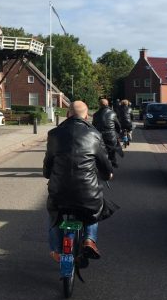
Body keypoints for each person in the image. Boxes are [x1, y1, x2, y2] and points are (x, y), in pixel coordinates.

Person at [43, 100, 114, 262]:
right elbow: (104, 162)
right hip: (87, 192)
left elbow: (48, 163)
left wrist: (48, 174)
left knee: (54, 213)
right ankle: (89, 239)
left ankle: (56, 250)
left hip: (59, 191)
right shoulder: (95, 134)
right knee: (95, 208)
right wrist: (108, 174)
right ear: (86, 116)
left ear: (67, 114)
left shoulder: (54, 134)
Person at [92, 97, 123, 168]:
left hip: (99, 136)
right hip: (111, 136)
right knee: (112, 150)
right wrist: (118, 132)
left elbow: (93, 127)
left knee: (99, 151)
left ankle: (101, 163)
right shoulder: (112, 113)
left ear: (99, 105)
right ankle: (113, 161)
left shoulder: (95, 114)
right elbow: (118, 125)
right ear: (107, 104)